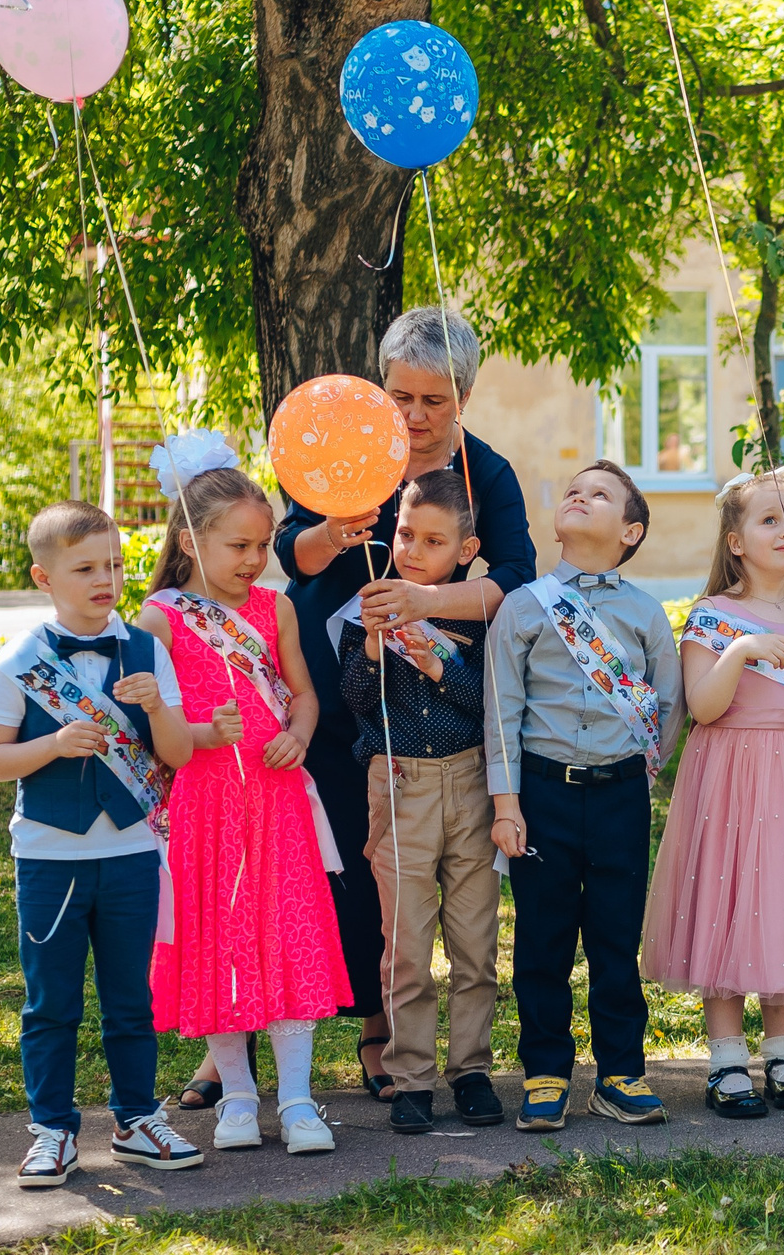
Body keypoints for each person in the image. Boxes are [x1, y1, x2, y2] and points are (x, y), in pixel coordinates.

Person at [252, 303, 536, 1109]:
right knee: (350, 861)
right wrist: (336, 533)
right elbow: (292, 557)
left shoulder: (490, 476)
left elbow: (515, 581)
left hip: (436, 713)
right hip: (332, 694)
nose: (411, 416)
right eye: (399, 394)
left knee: (446, 896)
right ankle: (375, 1027)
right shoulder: (350, 445)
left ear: (464, 397)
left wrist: (425, 597)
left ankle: (452, 1055)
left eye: (432, 400)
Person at [0, 501, 209, 1188]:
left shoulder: (146, 648)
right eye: (85, 567)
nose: (105, 577)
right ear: (43, 576)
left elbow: (177, 755)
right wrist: (49, 744)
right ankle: (51, 1128)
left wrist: (160, 706)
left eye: (113, 563)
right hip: (50, 856)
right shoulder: (19, 662)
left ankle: (137, 1119)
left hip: (132, 851)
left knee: (131, 997)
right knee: (51, 1000)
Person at [138, 461, 352, 1158]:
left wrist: (298, 733)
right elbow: (151, 727)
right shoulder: (160, 617)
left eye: (263, 545)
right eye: (239, 546)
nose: (256, 559)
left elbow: (306, 694)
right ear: (191, 538)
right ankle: (236, 1094)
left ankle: (295, 1097)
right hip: (204, 805)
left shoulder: (276, 606)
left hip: (276, 797)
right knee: (220, 941)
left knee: (287, 936)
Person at [642, 468, 784, 1118]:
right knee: (732, 906)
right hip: (732, 777)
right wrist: (742, 650)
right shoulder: (713, 615)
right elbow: (704, 707)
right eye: (770, 519)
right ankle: (727, 1059)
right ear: (735, 540)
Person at [485, 461, 682, 1132]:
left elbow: (669, 702)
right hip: (542, 793)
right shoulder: (524, 606)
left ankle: (621, 1071)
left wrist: (641, 774)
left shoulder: (646, 611)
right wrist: (505, 803)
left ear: (629, 531)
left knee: (614, 936)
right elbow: (501, 710)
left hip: (621, 796)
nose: (579, 493)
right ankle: (545, 1072)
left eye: (599, 493)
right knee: (541, 939)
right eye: (574, 486)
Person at [336, 468, 502, 1134]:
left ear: (464, 550)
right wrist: (374, 648)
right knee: (404, 941)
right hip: (396, 783)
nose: (411, 549)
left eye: (432, 540)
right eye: (405, 533)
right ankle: (410, 1077)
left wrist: (437, 662)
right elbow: (352, 699)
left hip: (467, 781)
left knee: (475, 939)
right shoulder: (369, 603)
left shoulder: (474, 613)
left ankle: (471, 1069)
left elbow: (490, 704)